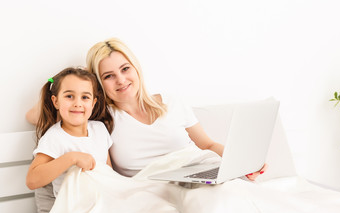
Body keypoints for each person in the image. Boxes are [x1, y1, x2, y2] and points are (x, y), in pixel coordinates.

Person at [27, 38, 267, 181]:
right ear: (99, 84)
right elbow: (33, 115)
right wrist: (75, 82)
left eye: (125, 69)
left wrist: (241, 162)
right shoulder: (100, 118)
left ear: (136, 68)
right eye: (108, 76)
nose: (121, 80)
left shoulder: (172, 101)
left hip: (201, 172)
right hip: (154, 188)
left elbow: (208, 145)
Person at [26, 67, 113, 198]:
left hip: (102, 203)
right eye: (69, 96)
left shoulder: (99, 129)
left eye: (85, 97)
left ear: (93, 103)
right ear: (55, 101)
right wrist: (71, 158)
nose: (77, 103)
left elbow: (109, 174)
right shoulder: (55, 137)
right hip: (74, 211)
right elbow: (32, 181)